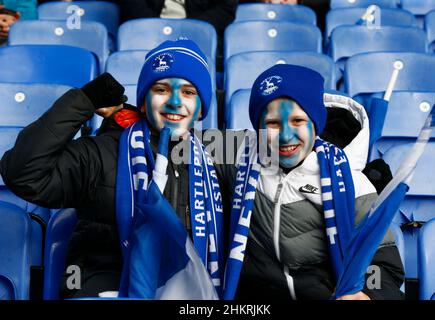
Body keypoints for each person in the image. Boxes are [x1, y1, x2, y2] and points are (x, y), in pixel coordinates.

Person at [0, 39, 225, 299]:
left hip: (186, 286)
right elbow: (23, 173)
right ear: (143, 102)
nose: (175, 101)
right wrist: (83, 101)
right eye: (161, 89)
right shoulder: (103, 150)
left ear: (201, 110)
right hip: (106, 282)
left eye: (188, 92)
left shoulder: (217, 152)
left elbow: (274, 145)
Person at [218, 64, 405, 300]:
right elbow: (184, 145)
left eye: (298, 121)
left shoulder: (352, 182)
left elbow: (382, 266)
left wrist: (367, 293)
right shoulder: (240, 153)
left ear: (316, 124)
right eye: (273, 123)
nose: (286, 136)